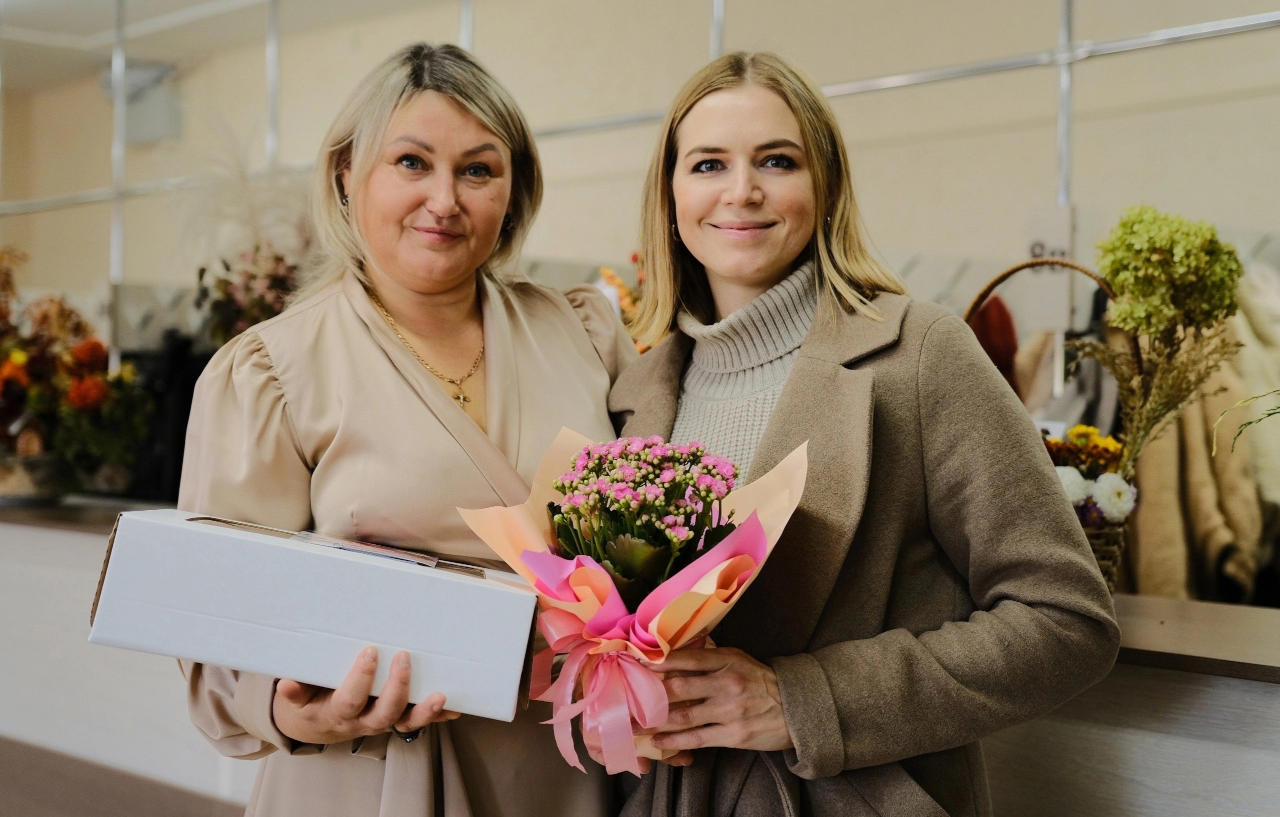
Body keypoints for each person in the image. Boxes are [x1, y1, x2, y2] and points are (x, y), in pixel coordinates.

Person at [608, 52, 1120, 817]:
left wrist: (806, 702)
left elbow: (1067, 620)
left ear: (826, 185)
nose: (741, 191)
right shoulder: (637, 389)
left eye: (777, 161)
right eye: (708, 164)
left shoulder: (920, 354)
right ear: (671, 195)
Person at [178, 43, 635, 817]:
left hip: (569, 764)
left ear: (514, 190)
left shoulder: (585, 332)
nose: (444, 200)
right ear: (347, 174)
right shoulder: (271, 371)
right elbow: (214, 617)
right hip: (376, 769)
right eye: (412, 163)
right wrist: (291, 709)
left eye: (478, 170)